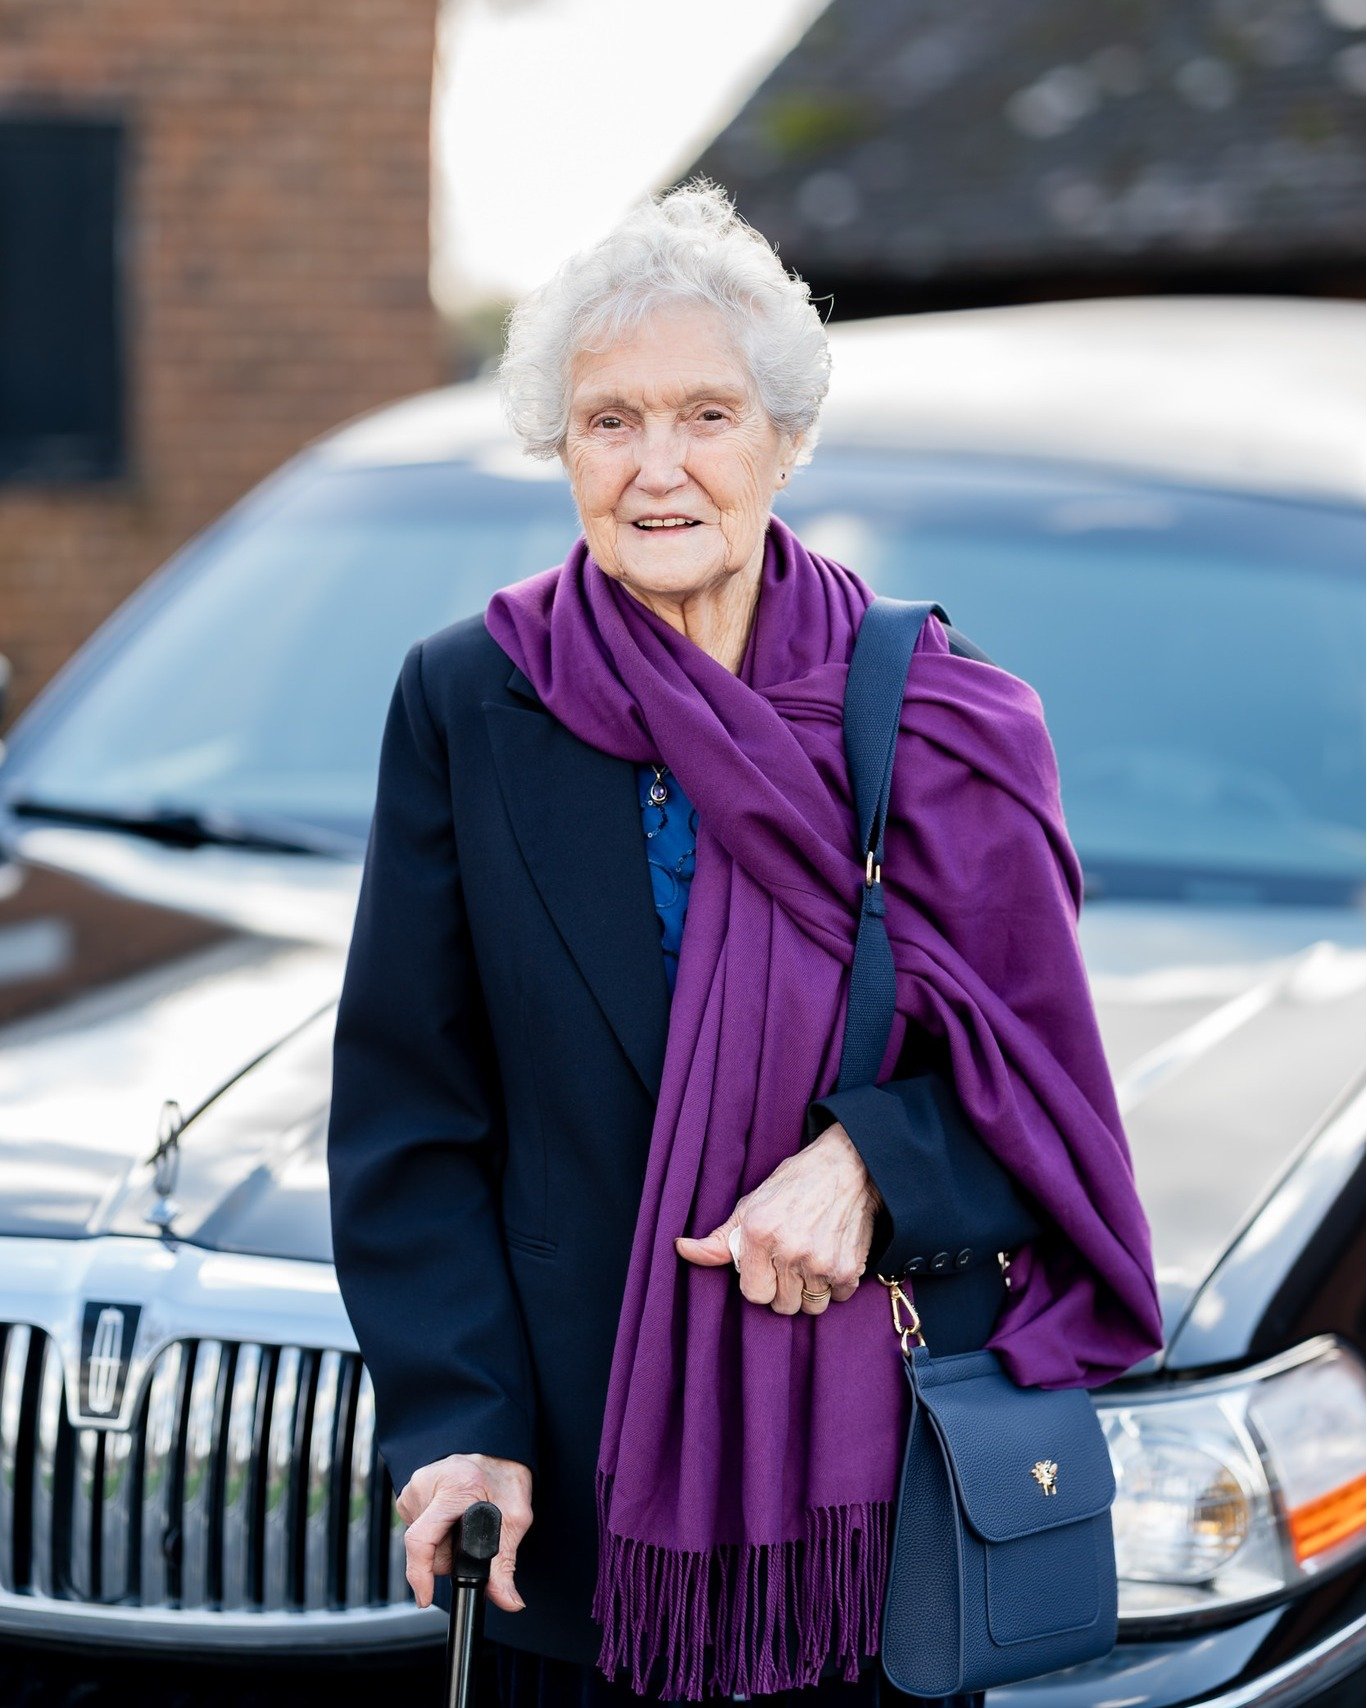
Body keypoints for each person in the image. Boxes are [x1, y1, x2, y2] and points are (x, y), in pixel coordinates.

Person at [326, 177, 1164, 1707]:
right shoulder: (467, 702)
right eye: (609, 422)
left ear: (785, 438)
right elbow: (411, 1116)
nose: (659, 470)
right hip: (567, 1517)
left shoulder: (943, 718)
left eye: (706, 416)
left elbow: (1046, 1103)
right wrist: (459, 1422)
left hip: (867, 1517)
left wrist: (870, 1168)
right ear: (559, 449)